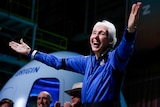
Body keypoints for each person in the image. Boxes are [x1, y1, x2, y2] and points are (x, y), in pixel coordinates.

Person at [9, 2, 142, 107]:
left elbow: (125, 48)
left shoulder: (114, 59)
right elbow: (57, 62)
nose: (95, 37)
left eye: (101, 34)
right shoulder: (86, 62)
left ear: (111, 41)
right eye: (94, 33)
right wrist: (31, 52)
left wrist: (130, 30)